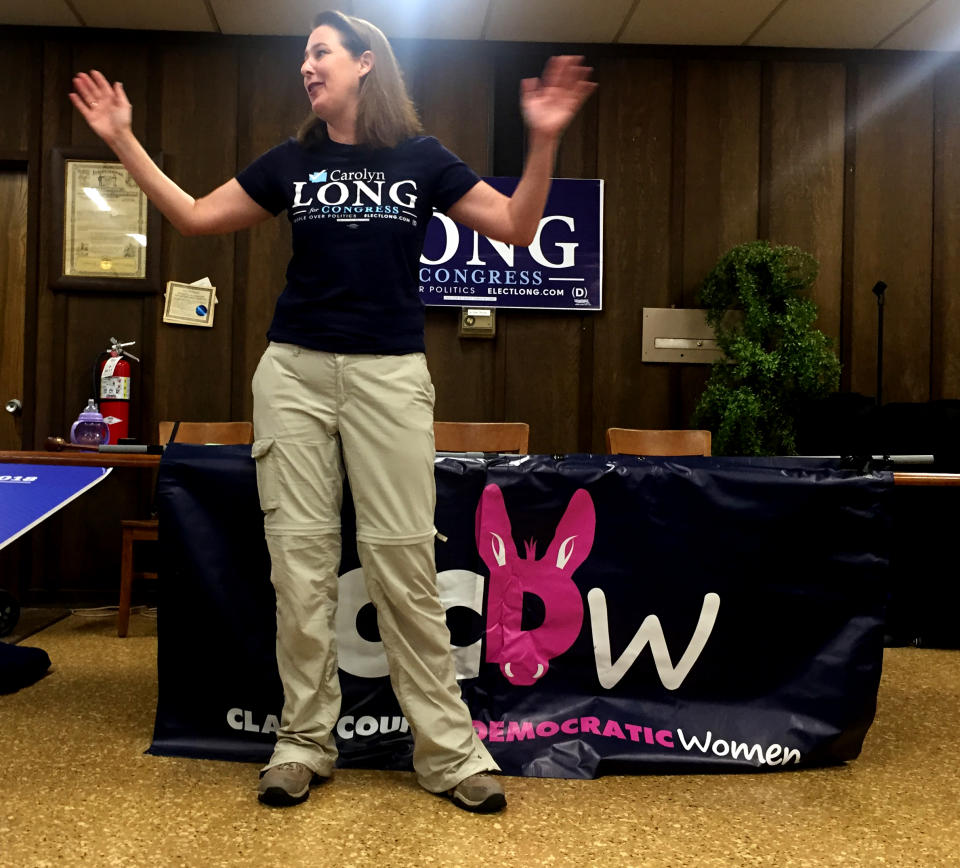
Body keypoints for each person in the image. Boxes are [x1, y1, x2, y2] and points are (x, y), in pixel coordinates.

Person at [70, 10, 596, 814]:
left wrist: (544, 138)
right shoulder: (293, 161)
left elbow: (520, 227)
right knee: (301, 565)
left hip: (389, 376)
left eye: (320, 54)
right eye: (303, 58)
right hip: (294, 375)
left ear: (365, 65)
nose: (307, 68)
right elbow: (195, 216)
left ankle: (450, 755)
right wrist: (122, 139)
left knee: (403, 564)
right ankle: (304, 743)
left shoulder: (423, 160)